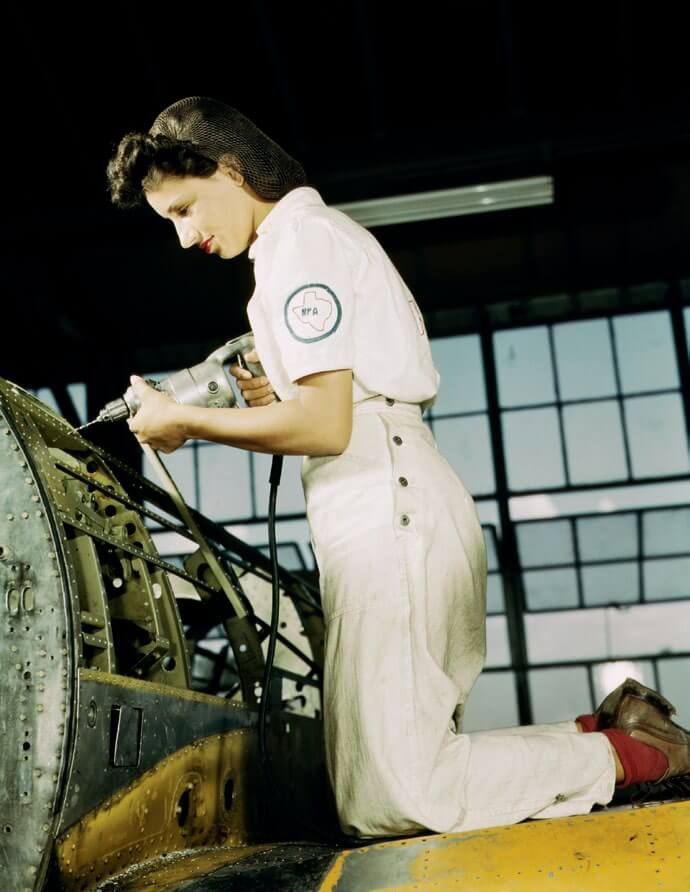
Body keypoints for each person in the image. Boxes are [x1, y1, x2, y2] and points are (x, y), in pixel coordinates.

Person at [106, 96, 690, 837]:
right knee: (392, 779)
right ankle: (614, 733)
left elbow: (325, 421)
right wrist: (267, 398)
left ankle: (636, 758)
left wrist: (185, 418)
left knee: (399, 794)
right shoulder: (307, 244)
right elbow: (329, 401)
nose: (186, 237)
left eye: (186, 209)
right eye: (171, 224)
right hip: (389, 498)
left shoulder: (299, 246)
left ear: (229, 169)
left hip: (389, 505)